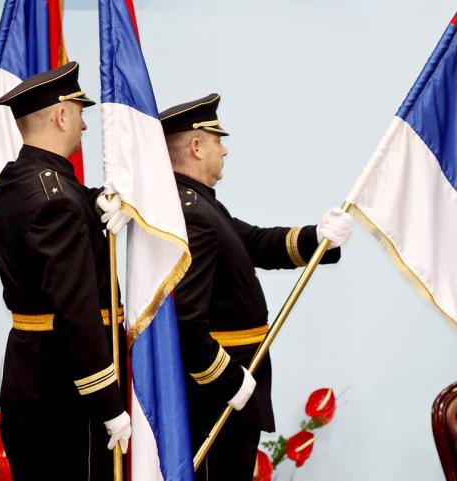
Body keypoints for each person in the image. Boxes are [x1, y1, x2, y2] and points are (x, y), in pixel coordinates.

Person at [159, 93, 352, 480]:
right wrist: (228, 381)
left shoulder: (198, 205)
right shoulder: (190, 213)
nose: (224, 151)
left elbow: (255, 242)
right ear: (196, 146)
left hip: (232, 384)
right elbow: (186, 321)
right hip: (215, 393)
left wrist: (319, 237)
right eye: (217, 140)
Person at [0, 62, 132, 480]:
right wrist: (109, 404)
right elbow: (76, 312)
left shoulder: (14, 181)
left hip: (30, 375)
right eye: (80, 113)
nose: (84, 127)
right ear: (61, 115)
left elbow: (53, 208)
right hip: (65, 391)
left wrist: (94, 202)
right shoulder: (55, 198)